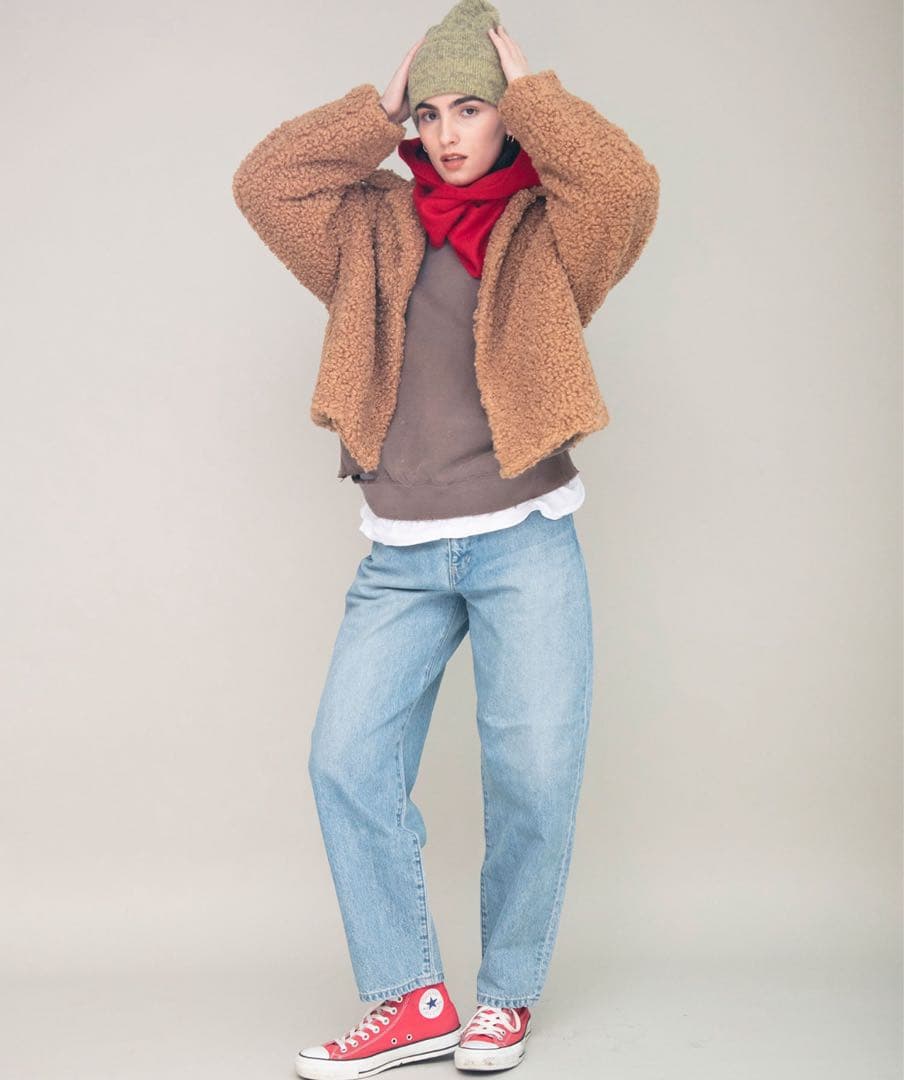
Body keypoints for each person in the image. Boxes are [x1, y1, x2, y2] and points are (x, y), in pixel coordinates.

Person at [231, 1, 660, 1075]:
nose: (448, 132)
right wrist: (375, 112)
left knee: (532, 777)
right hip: (402, 553)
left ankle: (504, 999)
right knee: (345, 762)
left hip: (524, 540)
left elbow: (625, 187)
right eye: (430, 114)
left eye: (471, 108)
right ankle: (410, 997)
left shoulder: (549, 232)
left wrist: (537, 98)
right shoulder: (370, 227)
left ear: (507, 113)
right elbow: (265, 184)